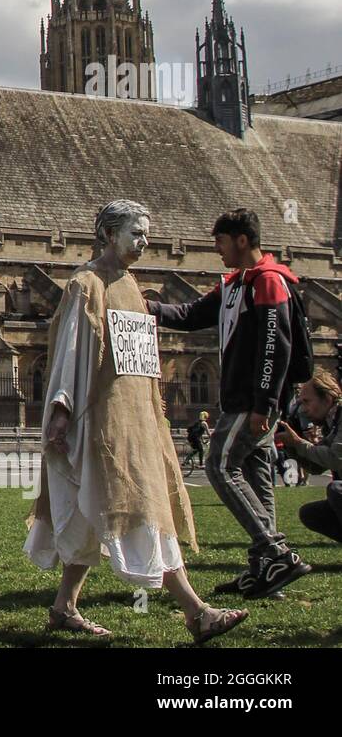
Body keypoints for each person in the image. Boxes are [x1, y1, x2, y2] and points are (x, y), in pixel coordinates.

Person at [26, 200, 248, 644]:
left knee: (100, 513)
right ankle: (196, 612)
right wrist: (61, 411)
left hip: (137, 421)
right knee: (143, 509)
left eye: (146, 233)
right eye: (135, 233)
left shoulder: (132, 285)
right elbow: (68, 350)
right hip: (101, 422)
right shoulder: (85, 284)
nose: (144, 241)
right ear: (109, 234)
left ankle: (64, 607)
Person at [147, 208, 312, 600]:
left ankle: (275, 552)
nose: (216, 250)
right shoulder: (236, 285)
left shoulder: (268, 282)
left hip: (251, 403)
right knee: (257, 478)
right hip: (245, 401)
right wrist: (147, 308)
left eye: (220, 242)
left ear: (241, 239)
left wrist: (265, 403)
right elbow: (190, 315)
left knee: (219, 465)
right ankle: (265, 574)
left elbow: (276, 346)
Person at [281, 370, 342, 541]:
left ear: (327, 398)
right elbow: (317, 467)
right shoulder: (333, 421)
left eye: (307, 402)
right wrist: (291, 445)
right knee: (311, 514)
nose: (303, 409)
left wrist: (299, 443)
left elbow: (336, 459)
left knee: (337, 490)